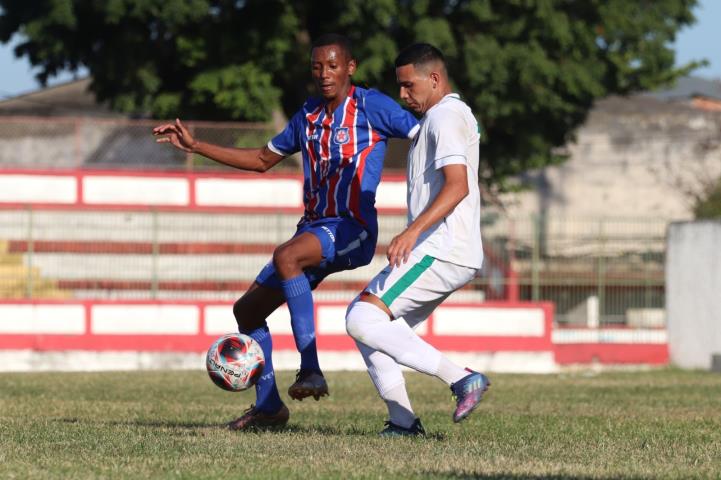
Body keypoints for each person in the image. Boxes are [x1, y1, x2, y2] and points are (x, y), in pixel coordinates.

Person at [153, 34, 419, 430]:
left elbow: (423, 133)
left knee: (287, 255)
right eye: (317, 67)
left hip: (353, 228)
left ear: (351, 67)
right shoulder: (308, 115)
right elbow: (262, 159)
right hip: (313, 229)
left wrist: (459, 137)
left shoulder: (372, 105)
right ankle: (269, 406)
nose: (324, 74)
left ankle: (310, 368)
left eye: (332, 65)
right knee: (247, 310)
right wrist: (197, 147)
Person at [345, 43, 490, 437]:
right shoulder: (444, 117)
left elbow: (457, 186)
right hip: (448, 248)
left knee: (361, 317)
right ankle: (404, 423)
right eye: (400, 87)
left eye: (409, 86)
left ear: (435, 79)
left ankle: (462, 379)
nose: (403, 95)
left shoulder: (444, 116)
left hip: (443, 245)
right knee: (375, 330)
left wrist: (412, 230)